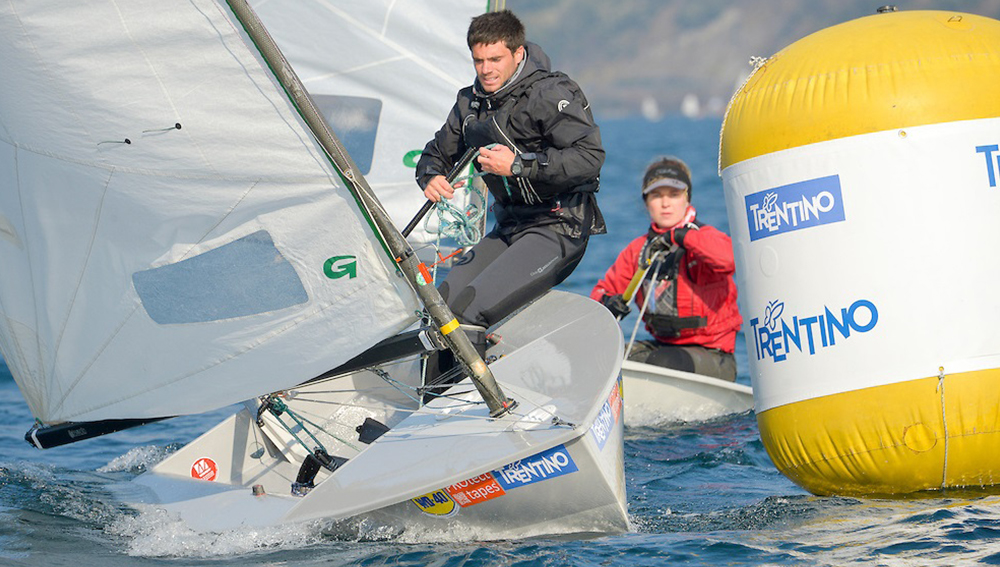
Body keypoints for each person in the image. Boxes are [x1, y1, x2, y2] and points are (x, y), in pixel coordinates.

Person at [416, 9, 605, 366]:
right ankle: (428, 403)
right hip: (509, 229)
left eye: (495, 59)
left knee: (468, 312)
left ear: (518, 54)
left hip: (558, 227)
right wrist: (430, 175)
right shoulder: (470, 102)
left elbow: (589, 158)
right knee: (439, 308)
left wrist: (519, 165)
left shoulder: (550, 93)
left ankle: (478, 403)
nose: (486, 69)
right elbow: (436, 152)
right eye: (479, 60)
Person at [590, 157, 742, 381]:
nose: (665, 203)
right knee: (606, 357)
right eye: (656, 196)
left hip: (713, 355)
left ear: (687, 199)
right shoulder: (638, 250)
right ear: (646, 202)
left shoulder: (706, 237)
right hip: (664, 347)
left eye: (674, 195)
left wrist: (683, 237)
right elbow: (602, 291)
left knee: (661, 363)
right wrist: (607, 302)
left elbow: (730, 259)